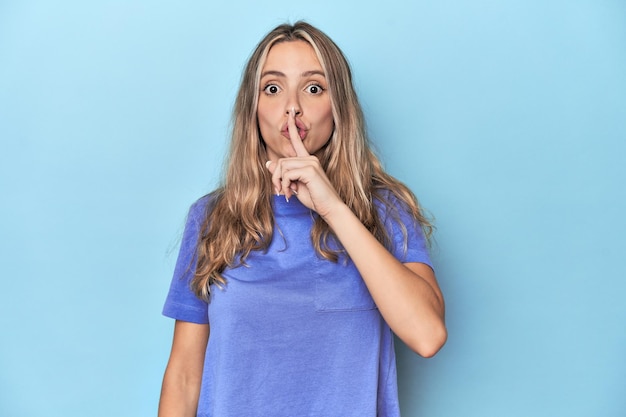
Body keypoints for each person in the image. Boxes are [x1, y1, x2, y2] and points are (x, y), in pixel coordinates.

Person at [158, 21, 446, 417]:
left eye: (314, 88)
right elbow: (185, 375)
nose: (292, 106)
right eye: (272, 88)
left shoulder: (385, 210)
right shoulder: (211, 218)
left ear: (339, 107)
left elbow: (428, 335)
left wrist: (332, 208)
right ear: (253, 109)